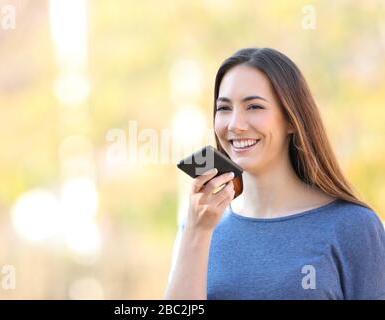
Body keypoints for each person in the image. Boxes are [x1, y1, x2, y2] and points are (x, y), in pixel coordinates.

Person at [164, 48, 385, 300]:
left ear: (292, 119)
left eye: (254, 106)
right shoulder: (198, 227)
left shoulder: (352, 226)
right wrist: (196, 232)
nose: (235, 124)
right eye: (224, 108)